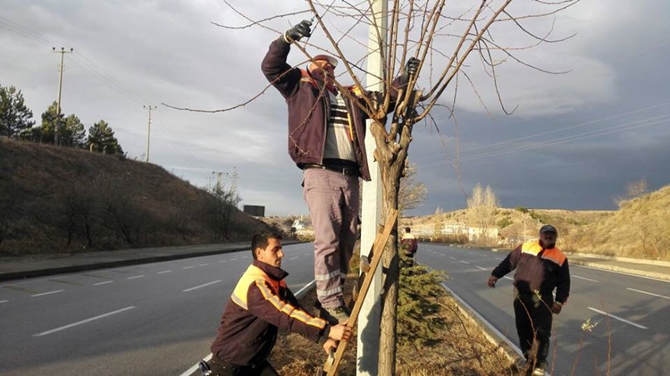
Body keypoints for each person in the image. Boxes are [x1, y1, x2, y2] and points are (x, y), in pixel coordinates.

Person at [261, 19, 420, 324]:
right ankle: (330, 300)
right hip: (320, 172)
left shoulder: (350, 96)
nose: (327, 69)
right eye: (321, 64)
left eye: (331, 67)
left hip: (350, 176)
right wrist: (286, 39)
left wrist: (403, 80)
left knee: (347, 239)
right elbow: (271, 67)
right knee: (327, 239)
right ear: (311, 66)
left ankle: (330, 298)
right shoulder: (300, 86)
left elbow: (382, 101)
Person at [205, 232, 353, 376]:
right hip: (229, 366)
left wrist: (323, 339)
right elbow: (284, 315)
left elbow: (295, 311)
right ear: (259, 253)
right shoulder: (256, 285)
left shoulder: (273, 280)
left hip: (253, 361)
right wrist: (327, 330)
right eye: (275, 250)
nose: (282, 254)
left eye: (281, 249)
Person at [487, 224, 571, 376]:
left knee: (542, 332)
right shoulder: (526, 246)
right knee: (523, 329)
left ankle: (539, 365)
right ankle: (528, 360)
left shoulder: (560, 257)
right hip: (521, 295)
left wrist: (559, 301)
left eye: (552, 234)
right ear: (540, 234)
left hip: (543, 299)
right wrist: (495, 275)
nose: (548, 236)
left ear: (556, 237)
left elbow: (564, 282)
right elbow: (509, 262)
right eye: (546, 233)